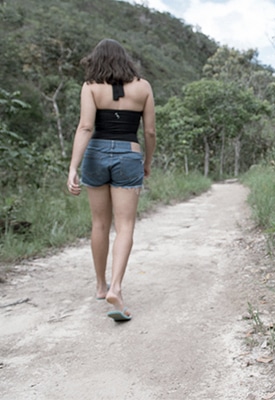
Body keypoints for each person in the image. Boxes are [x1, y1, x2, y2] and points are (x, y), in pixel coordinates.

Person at [67, 39, 156, 322]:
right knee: (125, 224)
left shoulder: (91, 86)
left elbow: (85, 126)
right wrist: (147, 162)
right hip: (128, 155)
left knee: (99, 223)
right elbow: (151, 132)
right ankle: (116, 287)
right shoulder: (143, 87)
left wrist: (73, 167)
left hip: (95, 154)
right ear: (125, 60)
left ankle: (100, 285)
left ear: (96, 60)